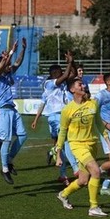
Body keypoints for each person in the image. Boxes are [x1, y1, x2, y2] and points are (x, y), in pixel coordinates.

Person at [55, 77, 110, 217]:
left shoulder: (93, 104)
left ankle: (63, 194)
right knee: (96, 171)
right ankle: (93, 207)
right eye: (79, 84)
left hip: (92, 144)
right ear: (72, 89)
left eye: (83, 84)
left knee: (83, 180)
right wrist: (58, 154)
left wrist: (108, 141)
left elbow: (99, 123)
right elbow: (62, 132)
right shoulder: (67, 110)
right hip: (77, 145)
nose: (83, 86)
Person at [32, 51, 79, 185]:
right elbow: (66, 75)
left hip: (59, 116)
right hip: (56, 116)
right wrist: (69, 63)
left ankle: (63, 174)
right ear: (53, 73)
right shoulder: (49, 83)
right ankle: (75, 168)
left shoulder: (59, 84)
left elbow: (73, 74)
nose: (63, 73)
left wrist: (72, 61)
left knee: (62, 146)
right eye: (60, 71)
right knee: (67, 142)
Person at [0, 38, 27, 184]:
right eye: (5, 63)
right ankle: (4, 169)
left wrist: (23, 49)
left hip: (12, 109)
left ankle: (9, 160)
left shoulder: (7, 74)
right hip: (1, 111)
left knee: (23, 135)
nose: (9, 65)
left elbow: (18, 62)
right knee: (6, 140)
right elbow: (2, 66)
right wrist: (9, 53)